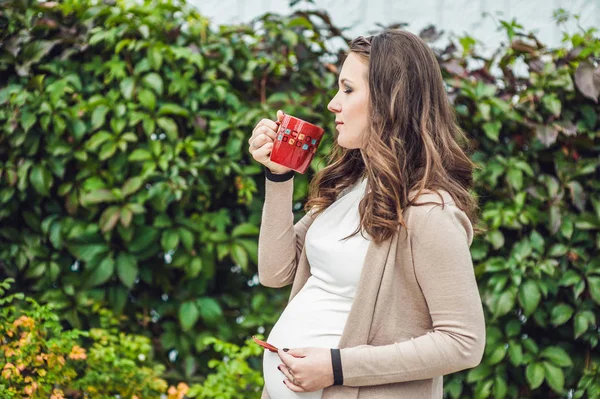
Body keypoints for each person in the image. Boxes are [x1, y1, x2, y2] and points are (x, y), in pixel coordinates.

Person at [247, 29, 486, 399]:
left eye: (347, 89)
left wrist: (338, 368)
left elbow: (463, 342)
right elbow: (275, 271)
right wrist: (278, 176)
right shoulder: (352, 186)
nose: (333, 104)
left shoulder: (430, 213)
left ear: (390, 101)